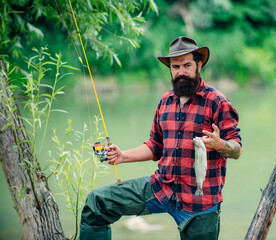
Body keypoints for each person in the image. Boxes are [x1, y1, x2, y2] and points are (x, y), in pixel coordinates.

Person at [79, 36, 242, 240]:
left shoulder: (217, 101)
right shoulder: (165, 101)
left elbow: (236, 148)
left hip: (200, 203)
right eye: (175, 67)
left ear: (199, 65)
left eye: (187, 65)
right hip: (161, 188)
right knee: (97, 204)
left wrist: (220, 144)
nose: (181, 72)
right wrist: (123, 156)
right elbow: (156, 146)